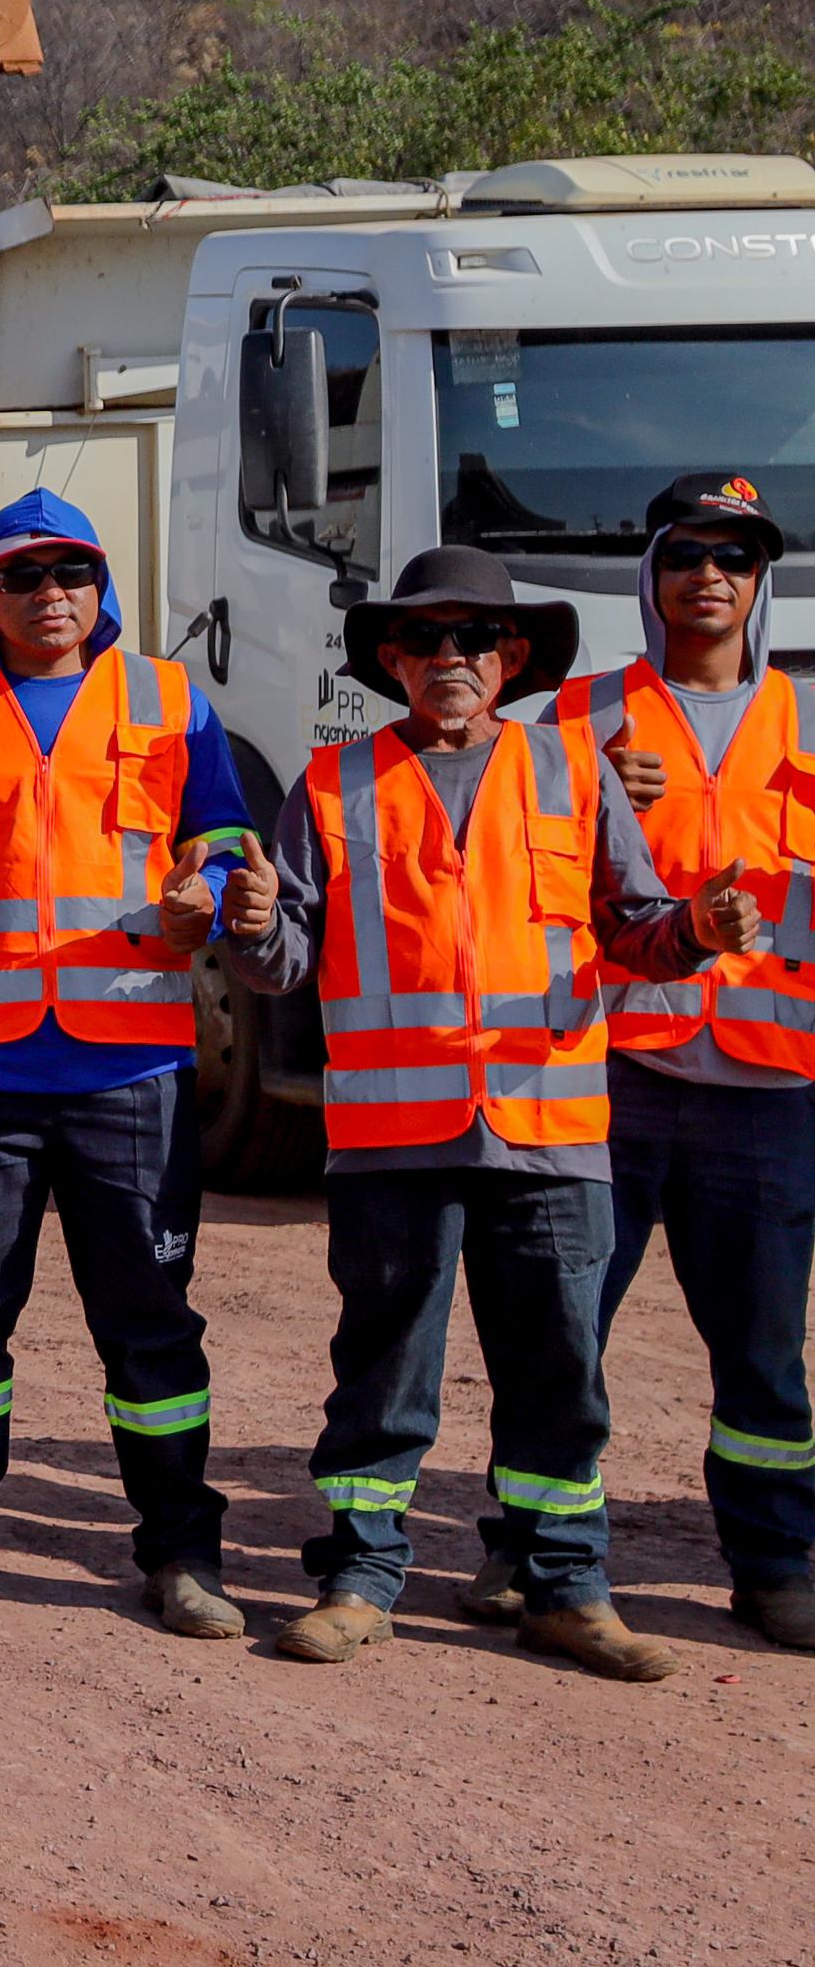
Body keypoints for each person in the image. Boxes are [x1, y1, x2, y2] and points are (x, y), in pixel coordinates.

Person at [223, 544, 747, 1684]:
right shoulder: (332, 784)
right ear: (391, 660)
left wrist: (698, 929)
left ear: (511, 658)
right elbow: (283, 966)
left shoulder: (569, 769)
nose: (446, 657)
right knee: (382, 1368)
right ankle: (359, 1579)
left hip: (548, 1134)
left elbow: (632, 929)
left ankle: (564, 1585)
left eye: (471, 639)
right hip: (389, 1139)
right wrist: (254, 920)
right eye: (421, 640)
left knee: (559, 1368)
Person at [0, 491, 252, 1637]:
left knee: (150, 1321)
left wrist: (205, 891)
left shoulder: (170, 702)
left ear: (100, 584)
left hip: (128, 1067)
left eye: (72, 569)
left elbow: (219, 835)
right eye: (22, 575)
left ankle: (178, 1551)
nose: (49, 591)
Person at [509, 476, 815, 1652]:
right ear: (649, 574)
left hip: (769, 1082)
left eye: (733, 557)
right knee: (561, 1331)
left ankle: (773, 1560)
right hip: (609, 1071)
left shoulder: (804, 722)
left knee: (761, 1351)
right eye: (686, 552)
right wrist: (584, 796)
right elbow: (513, 878)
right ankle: (529, 1553)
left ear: (757, 583)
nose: (709, 575)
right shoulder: (574, 720)